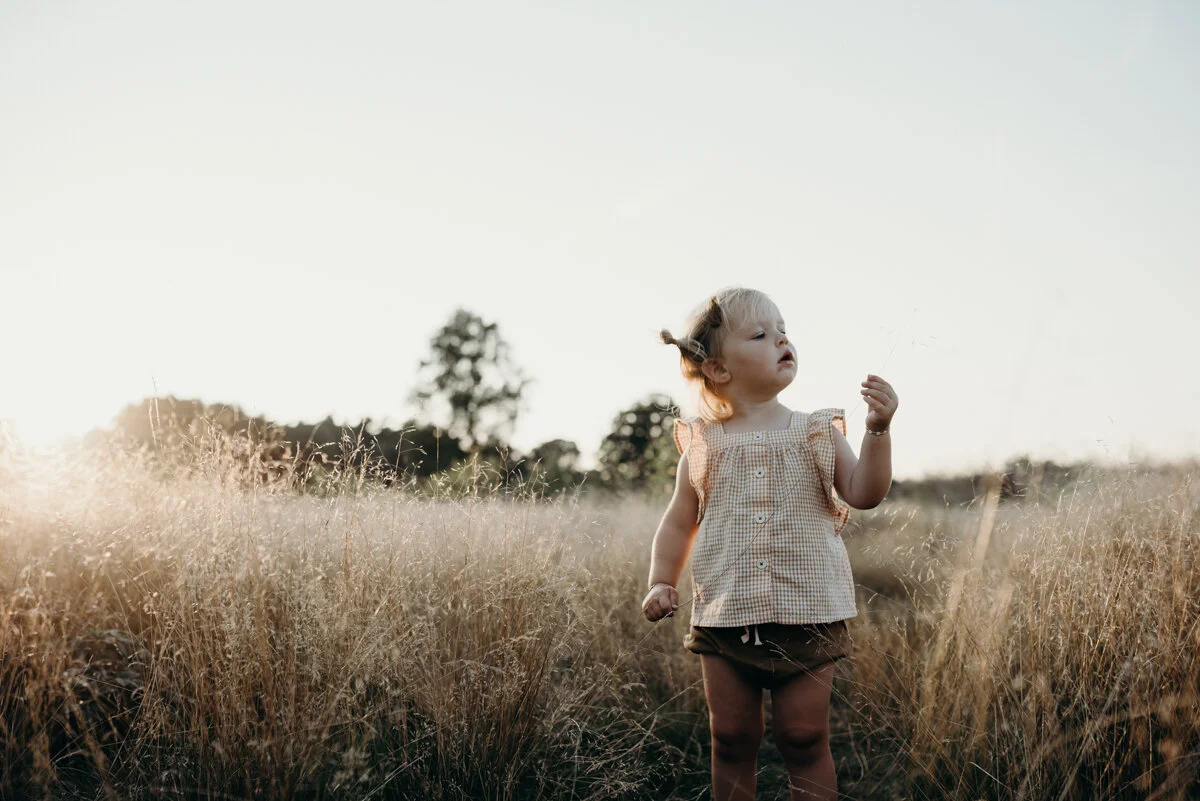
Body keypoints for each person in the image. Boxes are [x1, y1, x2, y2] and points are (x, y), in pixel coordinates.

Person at [642, 286, 898, 801]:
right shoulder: (703, 443)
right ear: (718, 369)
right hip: (725, 615)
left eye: (783, 331)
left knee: (803, 737)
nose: (782, 340)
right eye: (760, 334)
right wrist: (661, 580)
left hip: (809, 611)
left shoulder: (816, 432)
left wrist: (878, 430)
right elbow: (677, 522)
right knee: (731, 738)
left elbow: (864, 493)